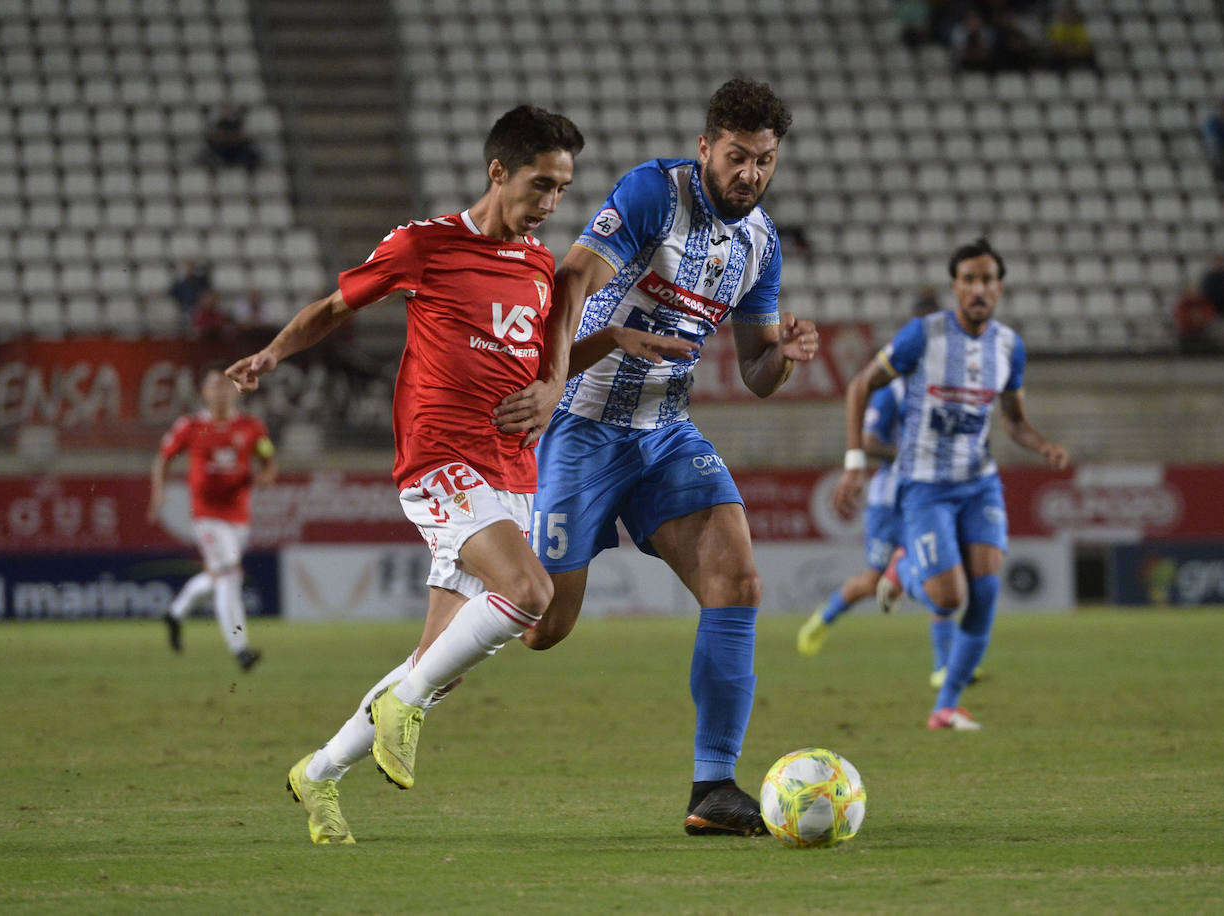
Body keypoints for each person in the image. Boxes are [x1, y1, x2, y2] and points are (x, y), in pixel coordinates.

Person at [227, 106, 627, 845]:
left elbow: (545, 366)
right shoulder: (427, 245)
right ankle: (401, 706)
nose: (550, 202)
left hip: (512, 470)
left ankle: (318, 774)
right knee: (530, 592)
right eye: (541, 184)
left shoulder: (539, 264)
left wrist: (610, 347)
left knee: (438, 663)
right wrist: (274, 354)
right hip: (441, 457)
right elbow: (335, 305)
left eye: (563, 189)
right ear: (497, 171)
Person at [492, 79, 818, 837]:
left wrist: (788, 355)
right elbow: (572, 279)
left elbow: (757, 374)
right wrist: (547, 385)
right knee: (544, 626)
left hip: (666, 430)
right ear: (707, 147)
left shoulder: (759, 243)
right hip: (581, 426)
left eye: (764, 161)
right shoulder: (653, 193)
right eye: (738, 157)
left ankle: (713, 788)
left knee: (737, 580)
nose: (750, 175)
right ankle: (470, 562)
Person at [832, 238, 1068, 731]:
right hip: (924, 486)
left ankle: (947, 705)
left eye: (988, 280)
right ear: (956, 286)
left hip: (979, 483)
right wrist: (855, 463)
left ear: (999, 287)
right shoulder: (925, 335)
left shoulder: (1009, 346)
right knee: (948, 598)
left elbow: (1014, 419)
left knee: (984, 592)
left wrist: (1041, 445)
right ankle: (903, 573)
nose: (979, 288)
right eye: (970, 280)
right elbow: (860, 386)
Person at [148, 365, 277, 670]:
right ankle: (240, 648)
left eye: (224, 385)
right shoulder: (189, 427)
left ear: (234, 390)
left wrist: (267, 475)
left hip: (238, 515)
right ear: (204, 393)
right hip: (206, 515)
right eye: (212, 386)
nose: (218, 391)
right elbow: (163, 458)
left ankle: (175, 613)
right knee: (230, 576)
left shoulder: (251, 427)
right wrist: (158, 492)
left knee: (218, 576)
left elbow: (268, 458)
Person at [797, 378, 906, 657]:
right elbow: (868, 442)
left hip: (930, 497)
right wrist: (912, 456)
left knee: (943, 572)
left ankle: (948, 669)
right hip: (891, 500)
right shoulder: (894, 390)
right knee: (872, 582)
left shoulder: (948, 386)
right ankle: (823, 618)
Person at [204, 103, 261, 172]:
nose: (229, 135)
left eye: (232, 131)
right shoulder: (212, 151)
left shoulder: (247, 152)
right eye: (225, 132)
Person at [1173, 284, 1218, 353]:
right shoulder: (1183, 304)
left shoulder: (1204, 303)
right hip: (1187, 334)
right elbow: (1180, 318)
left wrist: (1201, 320)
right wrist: (1192, 321)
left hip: (1203, 332)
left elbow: (1210, 316)